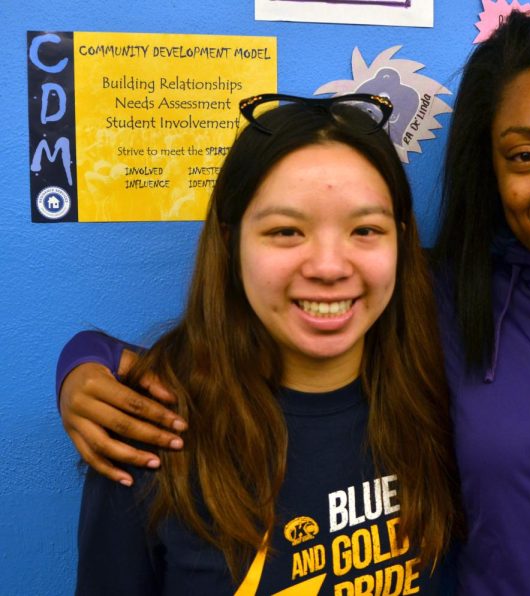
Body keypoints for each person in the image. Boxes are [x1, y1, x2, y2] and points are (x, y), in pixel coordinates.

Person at [58, 11, 530, 594]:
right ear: (489, 171)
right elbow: (302, 300)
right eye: (525, 155)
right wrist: (86, 363)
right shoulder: (442, 297)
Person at [69, 93, 460, 595]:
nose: (328, 266)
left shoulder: (447, 398)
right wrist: (83, 357)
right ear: (231, 244)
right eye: (286, 231)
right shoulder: (146, 431)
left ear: (400, 242)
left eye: (365, 229)